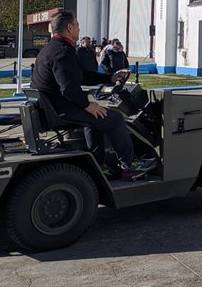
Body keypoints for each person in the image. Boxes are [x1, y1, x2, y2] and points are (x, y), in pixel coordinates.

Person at [30, 9, 151, 179]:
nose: (80, 29)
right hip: (61, 110)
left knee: (95, 121)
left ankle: (99, 165)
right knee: (115, 118)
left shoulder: (51, 49)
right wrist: (88, 105)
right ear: (70, 27)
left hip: (53, 107)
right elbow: (68, 88)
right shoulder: (63, 52)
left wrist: (109, 77)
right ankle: (130, 164)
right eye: (78, 25)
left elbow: (80, 76)